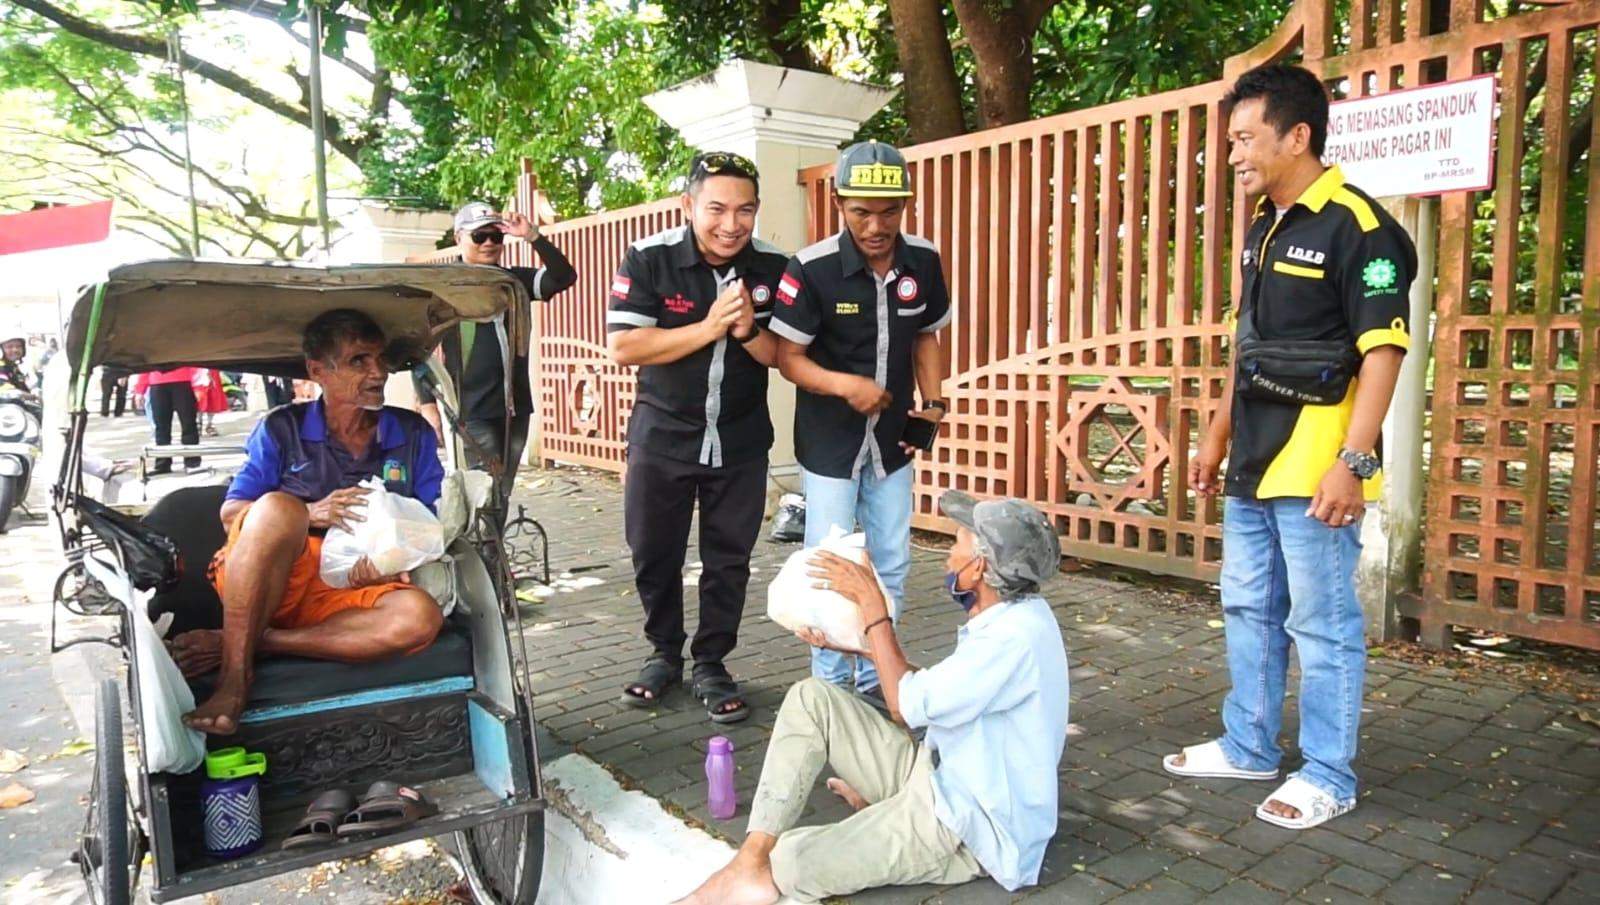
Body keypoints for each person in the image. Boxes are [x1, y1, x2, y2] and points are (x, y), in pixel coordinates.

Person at [1162, 63, 1417, 830]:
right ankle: (1248, 743)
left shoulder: (1361, 228)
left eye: (1245, 138)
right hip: (1253, 462)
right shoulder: (1264, 227)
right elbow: (1250, 343)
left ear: (1297, 135)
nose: (1232, 154)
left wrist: (1355, 461)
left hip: (1316, 469)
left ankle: (1330, 772)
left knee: (1323, 622)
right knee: (1248, 605)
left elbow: (1385, 350)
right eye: (1230, 140)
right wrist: (1214, 434)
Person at [674, 491, 1068, 904]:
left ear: (979, 568)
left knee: (791, 862)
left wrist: (871, 604)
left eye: (956, 545)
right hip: (940, 778)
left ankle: (772, 863)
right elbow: (938, 691)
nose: (948, 557)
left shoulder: (1010, 641)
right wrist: (859, 646)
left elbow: (903, 707)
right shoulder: (1019, 618)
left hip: (967, 828)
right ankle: (750, 861)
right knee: (813, 699)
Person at [168, 309, 447, 735]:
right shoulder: (283, 428)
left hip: (353, 584)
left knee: (419, 617)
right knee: (279, 508)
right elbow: (231, 515)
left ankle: (240, 641)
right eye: (359, 361)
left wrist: (392, 560)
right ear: (318, 371)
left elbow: (429, 521)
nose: (378, 373)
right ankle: (234, 680)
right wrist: (308, 511)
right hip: (270, 575)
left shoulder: (411, 433)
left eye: (380, 359)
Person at [606, 151, 790, 723]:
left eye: (745, 210)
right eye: (717, 208)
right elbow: (624, 346)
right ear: (689, 205)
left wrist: (745, 330)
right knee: (652, 551)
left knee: (729, 558)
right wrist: (707, 327)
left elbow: (783, 357)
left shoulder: (775, 267)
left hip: (740, 441)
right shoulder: (649, 259)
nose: (731, 223)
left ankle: (712, 661)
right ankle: (662, 654)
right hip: (662, 436)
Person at [770, 140, 951, 701]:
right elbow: (788, 358)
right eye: (861, 212)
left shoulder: (922, 260)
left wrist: (935, 401)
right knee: (830, 564)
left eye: (889, 211)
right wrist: (845, 385)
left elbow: (926, 334)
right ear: (840, 204)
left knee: (891, 561)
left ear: (905, 205)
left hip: (893, 445)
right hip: (830, 447)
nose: (876, 225)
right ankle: (830, 689)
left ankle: (877, 680)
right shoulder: (812, 268)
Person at [414, 202, 576, 475]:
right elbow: (418, 346)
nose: (489, 243)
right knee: (482, 495)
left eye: (496, 236)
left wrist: (532, 236)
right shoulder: (445, 286)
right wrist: (427, 403)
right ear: (459, 239)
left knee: (501, 495)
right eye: (479, 236)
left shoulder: (513, 281)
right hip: (470, 411)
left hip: (516, 409)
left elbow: (563, 277)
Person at [143, 366, 201, 473]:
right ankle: (162, 463)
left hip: (183, 381)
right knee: (161, 427)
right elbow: (145, 363)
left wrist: (198, 385)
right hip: (157, 383)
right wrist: (139, 389)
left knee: (189, 424)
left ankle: (192, 461)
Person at [193, 368, 228, 437]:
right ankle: (198, 424)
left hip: (212, 371)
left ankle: (210, 424)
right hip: (198, 372)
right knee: (199, 401)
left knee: (213, 400)